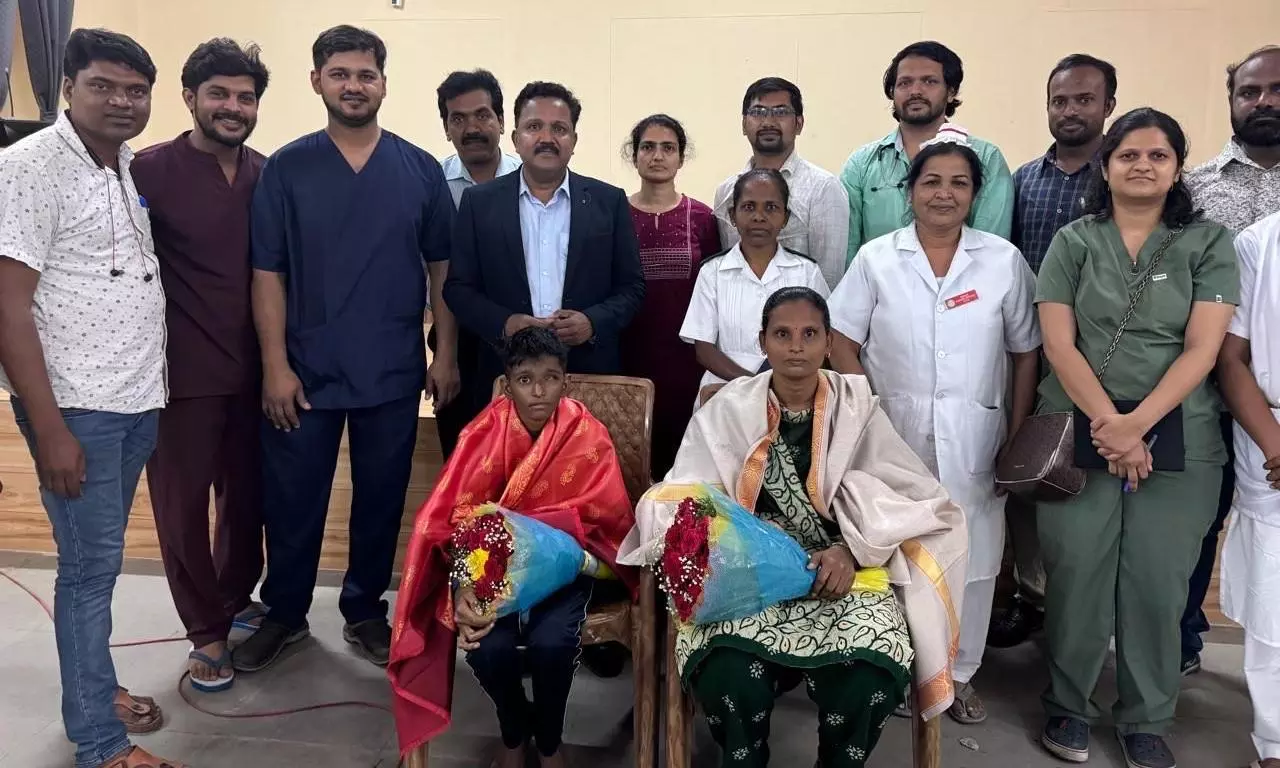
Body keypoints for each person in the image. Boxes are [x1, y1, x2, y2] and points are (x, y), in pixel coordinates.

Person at [618, 287, 968, 768]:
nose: (796, 347)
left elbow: (910, 497)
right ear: (762, 341)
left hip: (843, 580)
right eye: (782, 334)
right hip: (749, 579)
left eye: (809, 334)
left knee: (870, 672)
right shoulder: (727, 409)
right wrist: (743, 540)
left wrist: (851, 549)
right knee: (727, 673)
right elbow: (684, 491)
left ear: (829, 343)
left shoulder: (858, 409)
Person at [233, 25, 455, 673]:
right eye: (340, 74)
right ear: (317, 81)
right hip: (303, 372)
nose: (353, 86)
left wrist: (445, 353)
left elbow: (443, 268)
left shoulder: (418, 170)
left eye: (365, 74)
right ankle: (285, 613)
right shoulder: (287, 169)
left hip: (390, 369)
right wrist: (274, 366)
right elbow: (267, 272)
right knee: (293, 500)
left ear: (383, 83)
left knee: (381, 498)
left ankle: (364, 611)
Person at [0, 28, 185, 768]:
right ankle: (101, 746)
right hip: (77, 408)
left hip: (135, 398)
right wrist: (50, 430)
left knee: (95, 568)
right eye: (103, 86)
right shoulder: (27, 168)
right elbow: (8, 308)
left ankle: (96, 691)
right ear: (68, 88)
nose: (121, 102)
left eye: (135, 90)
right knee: (88, 572)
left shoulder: (125, 165)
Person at [1034, 108, 1239, 768]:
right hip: (1080, 425)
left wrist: (1136, 424)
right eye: (1128, 155)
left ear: (1177, 168)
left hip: (1181, 431)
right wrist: (1113, 426)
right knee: (1076, 574)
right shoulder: (1074, 241)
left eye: (1158, 155)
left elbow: (1203, 348)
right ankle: (1069, 705)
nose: (1142, 165)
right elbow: (1058, 344)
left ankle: (1146, 715)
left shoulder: (1207, 243)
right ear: (1106, 165)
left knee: (1158, 581)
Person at [829, 127, 1040, 725]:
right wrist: (869, 411)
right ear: (910, 190)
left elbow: (1026, 351)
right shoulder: (877, 258)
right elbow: (841, 340)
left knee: (976, 561)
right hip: (892, 436)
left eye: (959, 184)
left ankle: (960, 674)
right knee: (899, 554)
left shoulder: (1002, 261)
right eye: (931, 182)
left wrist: (1017, 431)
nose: (944, 194)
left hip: (978, 435)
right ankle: (903, 671)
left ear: (975, 194)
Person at [387, 327, 637, 768]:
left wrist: (559, 549)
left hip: (565, 571)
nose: (538, 392)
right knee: (488, 647)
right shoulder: (481, 435)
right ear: (507, 385)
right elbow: (452, 517)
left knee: (552, 644)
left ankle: (549, 742)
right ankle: (514, 728)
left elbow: (608, 521)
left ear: (565, 382)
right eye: (525, 380)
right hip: (492, 570)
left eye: (550, 378)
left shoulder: (588, 435)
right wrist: (465, 585)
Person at [129, 38, 270, 693]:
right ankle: (205, 630)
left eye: (245, 96)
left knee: (247, 500)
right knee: (182, 507)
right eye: (219, 94)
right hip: (179, 373)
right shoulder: (146, 171)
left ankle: (236, 598)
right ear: (189, 97)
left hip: (257, 371)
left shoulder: (267, 175)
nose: (232, 106)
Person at [991, 53, 1117, 650]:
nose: (1070, 110)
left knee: (1092, 483)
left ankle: (1087, 612)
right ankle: (1033, 595)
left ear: (1108, 106)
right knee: (1027, 474)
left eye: (1084, 99)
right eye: (1059, 100)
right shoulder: (1023, 181)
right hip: (1030, 352)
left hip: (1105, 357)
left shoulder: (1119, 176)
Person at [444, 80, 646, 412]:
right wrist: (505, 323)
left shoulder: (608, 202)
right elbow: (458, 288)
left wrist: (592, 322)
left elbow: (632, 287)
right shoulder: (479, 203)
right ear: (516, 138)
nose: (547, 138)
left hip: (588, 375)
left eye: (559, 129)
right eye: (534, 127)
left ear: (574, 140)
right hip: (505, 373)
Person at [1179, 44, 1280, 677]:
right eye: (1250, 91)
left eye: (1276, 89)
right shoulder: (1195, 189)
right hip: (1207, 394)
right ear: (1232, 101)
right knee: (1197, 528)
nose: (1264, 101)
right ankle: (1183, 642)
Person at [840, 41, 1013, 262]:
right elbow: (847, 250)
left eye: (929, 81)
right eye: (905, 83)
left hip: (963, 283)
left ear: (951, 92)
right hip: (877, 283)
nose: (915, 91)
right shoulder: (862, 164)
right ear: (892, 92)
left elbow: (991, 251)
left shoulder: (986, 158)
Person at [621, 114, 721, 477]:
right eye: (648, 147)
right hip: (628, 356)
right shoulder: (615, 213)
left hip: (687, 359)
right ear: (634, 156)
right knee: (631, 458)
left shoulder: (702, 217)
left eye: (668, 148)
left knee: (685, 462)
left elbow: (714, 290)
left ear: (681, 157)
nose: (657, 156)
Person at [1216, 210, 1280, 768]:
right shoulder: (1261, 242)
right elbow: (1231, 358)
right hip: (1270, 430)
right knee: (1272, 593)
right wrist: (1276, 447)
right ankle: (1274, 740)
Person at [682, 169, 829, 396]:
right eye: (749, 207)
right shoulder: (713, 272)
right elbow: (704, 349)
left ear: (785, 217)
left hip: (793, 391)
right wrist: (757, 386)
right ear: (732, 215)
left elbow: (822, 338)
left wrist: (783, 386)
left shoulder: (806, 271)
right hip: (725, 390)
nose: (759, 217)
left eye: (771, 207)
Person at [710, 77, 849, 288]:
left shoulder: (823, 188)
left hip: (801, 308)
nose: (768, 122)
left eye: (781, 112)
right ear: (744, 124)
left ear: (799, 124)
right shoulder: (727, 191)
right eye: (758, 112)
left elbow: (829, 279)